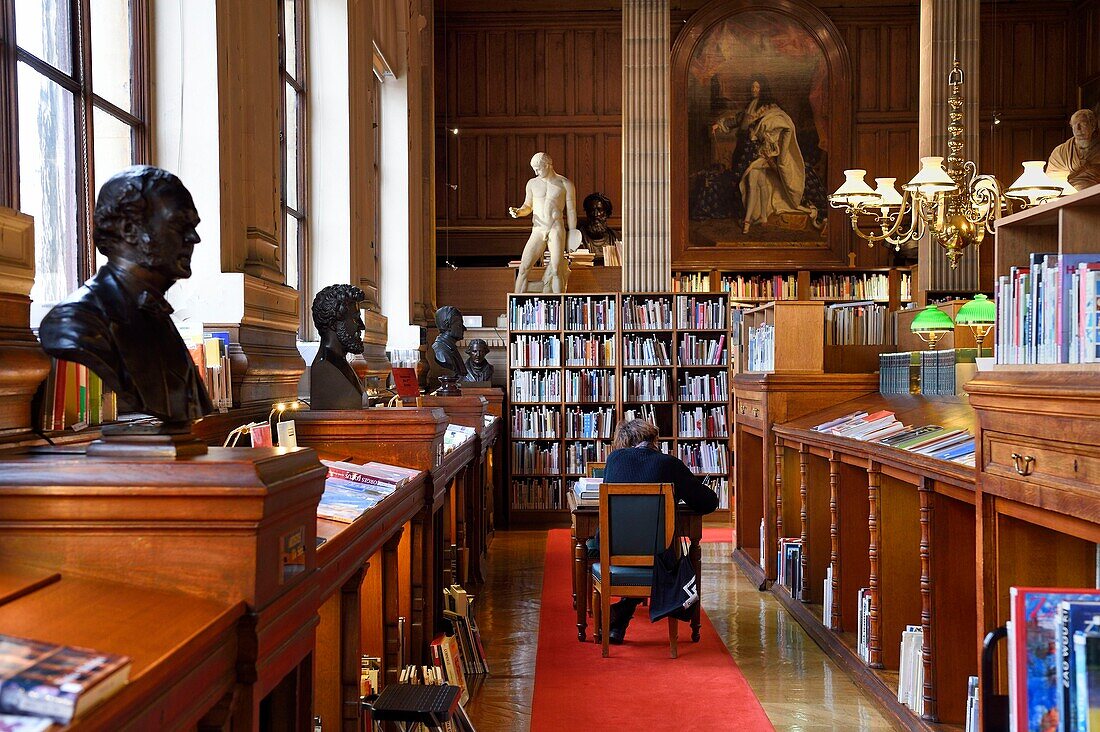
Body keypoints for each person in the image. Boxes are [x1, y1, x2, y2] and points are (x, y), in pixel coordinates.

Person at [39, 166, 213, 425]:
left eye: (193, 226)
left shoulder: (159, 317)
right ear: (129, 229)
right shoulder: (75, 323)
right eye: (179, 224)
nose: (194, 238)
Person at [596, 418, 719, 644]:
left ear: (623, 442)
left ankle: (619, 619)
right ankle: (622, 614)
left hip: (614, 547)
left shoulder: (614, 459)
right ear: (653, 439)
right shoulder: (668, 464)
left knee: (601, 544)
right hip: (659, 555)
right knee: (660, 553)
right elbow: (708, 502)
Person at [711, 78, 820, 233]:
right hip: (742, 147)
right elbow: (738, 119)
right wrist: (719, 125)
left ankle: (753, 218)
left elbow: (781, 123)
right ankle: (754, 216)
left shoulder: (770, 108)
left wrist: (764, 139)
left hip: (756, 150)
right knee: (744, 180)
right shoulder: (750, 106)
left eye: (757, 87)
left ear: (763, 89)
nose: (754, 90)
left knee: (753, 180)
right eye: (752, 87)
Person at [508, 152, 578, 294]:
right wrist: (519, 212)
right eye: (534, 169)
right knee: (524, 268)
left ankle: (561, 307)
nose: (535, 172)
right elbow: (527, 206)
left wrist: (573, 234)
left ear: (547, 165)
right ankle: (514, 307)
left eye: (538, 168)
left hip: (555, 227)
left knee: (557, 269)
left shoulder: (565, 184)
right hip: (538, 229)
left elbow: (571, 211)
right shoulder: (532, 184)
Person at [309, 284, 367, 410]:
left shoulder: (342, 364)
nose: (362, 326)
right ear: (335, 324)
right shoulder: (325, 367)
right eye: (356, 319)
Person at [1047, 109, 1100, 191]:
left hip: (1095, 194)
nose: (1078, 129)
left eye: (1083, 124)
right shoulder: (1061, 152)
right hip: (1066, 195)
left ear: (1093, 126)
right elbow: (1052, 178)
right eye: (1074, 125)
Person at [431, 305, 468, 379]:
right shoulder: (440, 350)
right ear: (448, 325)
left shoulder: (450, 348)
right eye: (459, 324)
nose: (464, 328)